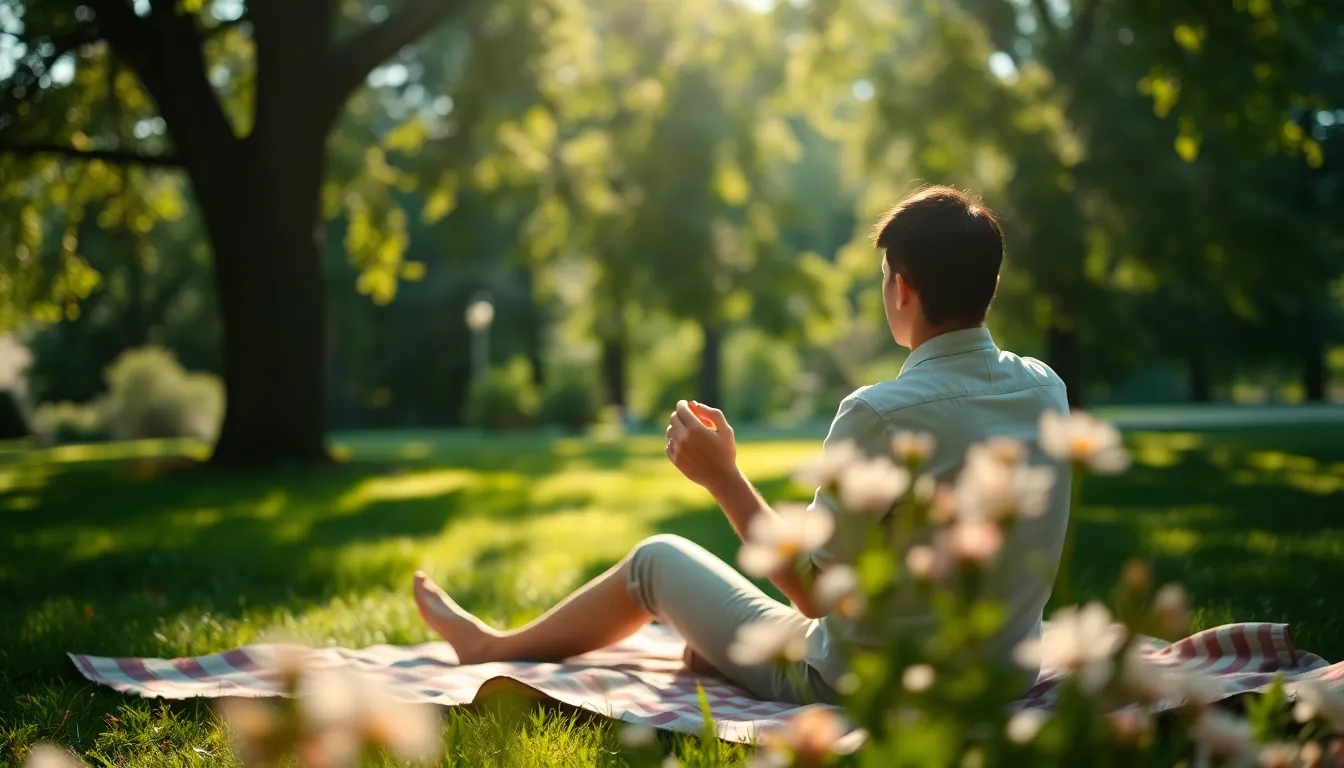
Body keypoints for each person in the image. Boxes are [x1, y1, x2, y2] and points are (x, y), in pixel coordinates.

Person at [412, 185, 1070, 705]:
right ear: (991, 285)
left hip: (872, 684)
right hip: (999, 677)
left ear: (902, 288)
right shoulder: (1047, 389)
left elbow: (814, 598)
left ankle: (489, 649)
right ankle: (718, 655)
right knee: (722, 622)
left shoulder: (879, 414)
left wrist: (723, 477)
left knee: (655, 561)